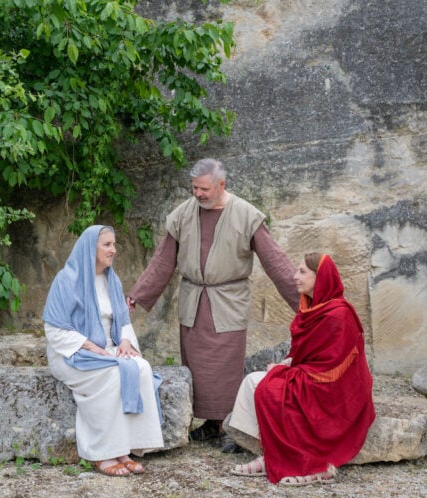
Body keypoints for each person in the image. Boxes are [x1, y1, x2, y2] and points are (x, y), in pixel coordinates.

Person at [126, 158, 298, 451]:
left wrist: (305, 300)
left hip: (227, 302)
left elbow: (275, 262)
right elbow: (162, 261)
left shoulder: (246, 215)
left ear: (221, 185)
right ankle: (209, 424)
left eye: (204, 189)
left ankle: (230, 425)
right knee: (197, 366)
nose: (198, 194)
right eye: (194, 188)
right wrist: (137, 295)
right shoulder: (183, 214)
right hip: (194, 300)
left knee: (225, 366)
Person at [227, 252, 375, 485]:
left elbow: (329, 370)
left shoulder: (339, 315)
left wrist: (283, 370)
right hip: (312, 378)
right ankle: (272, 454)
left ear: (321, 277)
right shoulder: (312, 308)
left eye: (302, 271)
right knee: (252, 381)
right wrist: (286, 364)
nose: (295, 276)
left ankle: (312, 465)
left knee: (267, 386)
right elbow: (306, 356)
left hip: (333, 392)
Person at [43, 225, 164, 477]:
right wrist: (92, 348)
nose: (114, 250)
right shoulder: (66, 280)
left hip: (106, 348)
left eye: (114, 244)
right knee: (112, 374)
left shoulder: (112, 279)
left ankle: (125, 448)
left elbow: (123, 322)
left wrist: (126, 343)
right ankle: (103, 453)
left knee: (141, 368)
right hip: (71, 352)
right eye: (107, 245)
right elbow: (54, 330)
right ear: (91, 248)